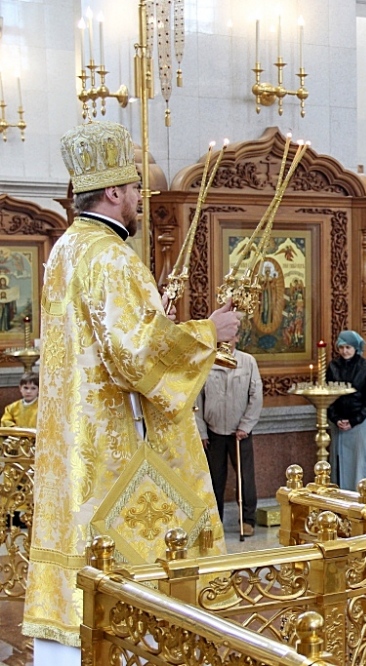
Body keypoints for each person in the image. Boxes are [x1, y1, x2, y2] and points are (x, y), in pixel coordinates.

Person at [26, 121, 242, 661]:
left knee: (76, 550)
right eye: (133, 189)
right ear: (113, 192)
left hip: (70, 439)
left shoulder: (65, 251)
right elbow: (137, 357)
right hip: (113, 446)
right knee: (151, 553)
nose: (140, 199)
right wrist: (209, 332)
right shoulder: (113, 257)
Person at [196, 335, 263, 536]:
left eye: (230, 337)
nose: (226, 340)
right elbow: (197, 399)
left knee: (245, 477)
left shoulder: (247, 361)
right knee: (215, 478)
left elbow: (256, 395)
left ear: (237, 337)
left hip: (239, 432)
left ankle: (247, 519)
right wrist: (201, 431)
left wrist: (246, 425)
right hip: (213, 431)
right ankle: (215, 520)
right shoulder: (207, 360)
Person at [326, 330, 366, 490]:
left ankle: (363, 493)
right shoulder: (333, 366)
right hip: (340, 422)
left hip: (361, 422)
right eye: (341, 347)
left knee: (361, 461)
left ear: (356, 348)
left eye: (348, 347)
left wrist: (354, 420)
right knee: (341, 461)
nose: (345, 351)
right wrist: (336, 418)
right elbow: (328, 395)